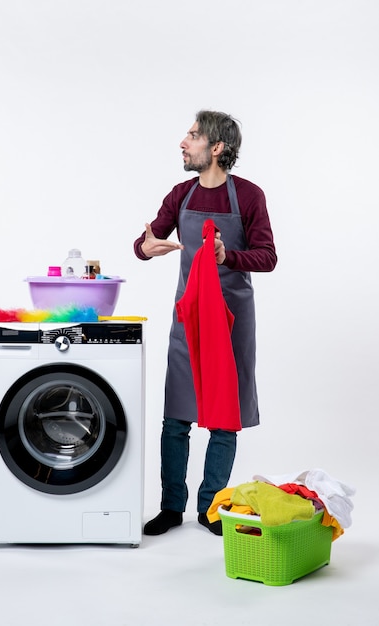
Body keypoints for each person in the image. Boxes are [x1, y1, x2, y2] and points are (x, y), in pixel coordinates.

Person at [133, 110, 277, 535]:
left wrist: (226, 256)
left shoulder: (249, 196)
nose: (183, 142)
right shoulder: (180, 194)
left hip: (232, 320)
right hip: (188, 317)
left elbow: (267, 257)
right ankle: (171, 507)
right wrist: (146, 247)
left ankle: (210, 508)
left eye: (193, 136)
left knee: (224, 416)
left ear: (217, 148)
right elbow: (145, 241)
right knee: (176, 416)